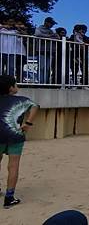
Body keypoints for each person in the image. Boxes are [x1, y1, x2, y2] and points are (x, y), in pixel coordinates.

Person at [0, 75, 39, 208]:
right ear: (11, 88)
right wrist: (28, 123)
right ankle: (9, 197)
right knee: (13, 166)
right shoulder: (22, 101)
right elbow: (35, 106)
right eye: (15, 84)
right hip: (15, 135)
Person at [33, 17, 58, 85]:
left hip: (50, 52)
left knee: (47, 68)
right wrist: (49, 36)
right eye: (51, 23)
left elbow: (57, 37)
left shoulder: (52, 30)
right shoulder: (39, 28)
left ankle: (45, 83)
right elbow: (38, 34)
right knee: (41, 67)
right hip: (41, 51)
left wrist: (52, 34)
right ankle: (40, 82)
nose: (52, 25)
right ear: (46, 22)